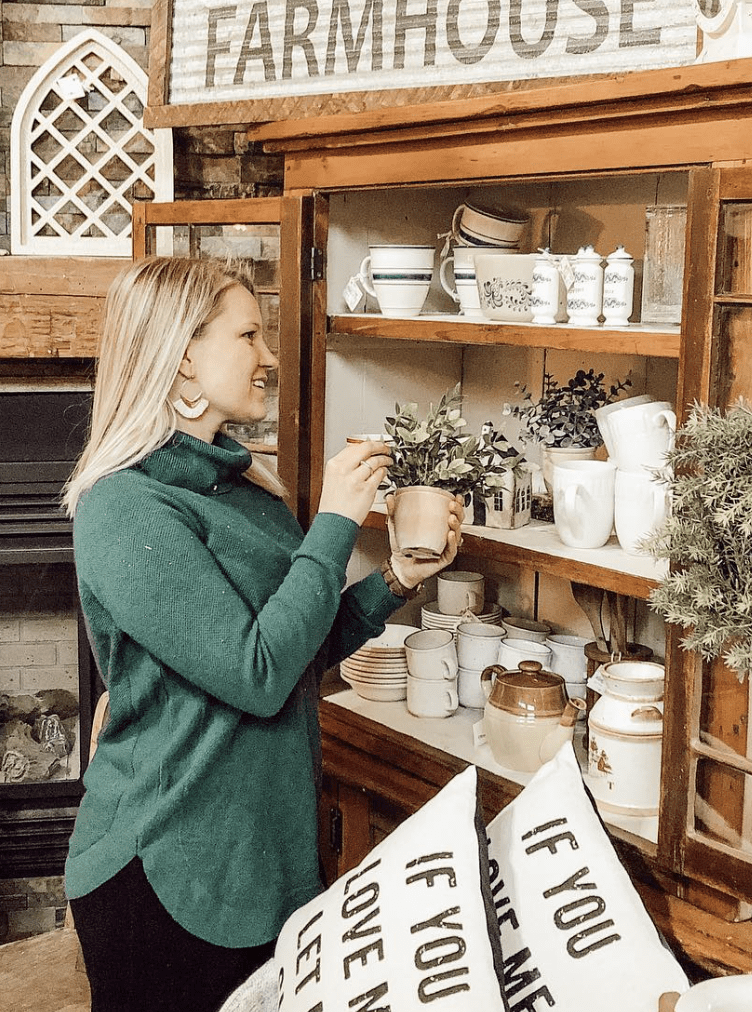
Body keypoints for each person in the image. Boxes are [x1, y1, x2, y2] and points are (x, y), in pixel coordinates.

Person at [61, 255, 463, 1012]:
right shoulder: (125, 507)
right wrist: (339, 520)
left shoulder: (245, 490)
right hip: (170, 872)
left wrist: (400, 579)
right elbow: (255, 672)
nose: (270, 357)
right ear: (183, 354)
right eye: (249, 335)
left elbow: (295, 650)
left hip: (261, 862)